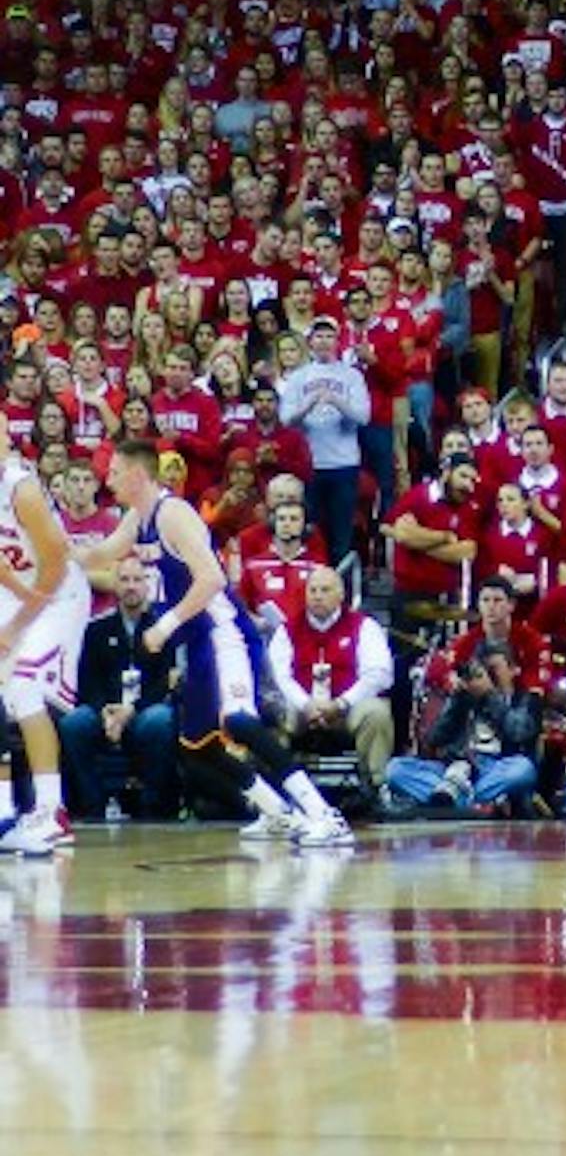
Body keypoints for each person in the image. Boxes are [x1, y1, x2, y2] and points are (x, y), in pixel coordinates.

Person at [84, 435, 353, 846]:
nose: (108, 479)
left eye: (115, 472)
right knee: (197, 745)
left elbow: (211, 578)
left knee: (239, 722)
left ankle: (322, 812)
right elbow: (102, 552)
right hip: (197, 641)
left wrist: (164, 626)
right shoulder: (137, 516)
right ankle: (277, 811)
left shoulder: (172, 513)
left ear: (138, 475)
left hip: (223, 632)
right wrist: (45, 550)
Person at [0, 445, 94, 854]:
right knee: (8, 698)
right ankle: (6, 811)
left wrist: (15, 627)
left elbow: (55, 565)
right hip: (16, 594)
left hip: (58, 595)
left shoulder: (20, 489)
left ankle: (52, 811)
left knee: (25, 689)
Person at [57, 551, 179, 821]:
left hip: (144, 710)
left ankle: (153, 807)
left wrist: (131, 711)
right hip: (106, 710)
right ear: (115, 585)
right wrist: (106, 711)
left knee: (160, 720)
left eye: (137, 579)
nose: (131, 586)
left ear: (148, 585)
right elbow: (87, 680)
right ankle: (90, 806)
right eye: (124, 579)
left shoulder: (162, 628)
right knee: (74, 723)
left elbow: (165, 683)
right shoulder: (95, 630)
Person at [265, 564, 396, 802]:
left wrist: (342, 703)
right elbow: (278, 677)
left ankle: (375, 788)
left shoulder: (364, 626)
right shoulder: (287, 631)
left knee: (377, 712)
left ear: (341, 594)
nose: (317, 596)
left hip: (347, 710)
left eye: (325, 590)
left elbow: (379, 674)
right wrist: (307, 705)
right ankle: (276, 789)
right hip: (302, 710)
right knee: (271, 712)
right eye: (312, 590)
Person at [384, 633, 544, 818]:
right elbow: (434, 739)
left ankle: (451, 801)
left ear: (513, 670)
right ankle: (468, 803)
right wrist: (458, 701)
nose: (488, 676)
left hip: (494, 770)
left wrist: (491, 696)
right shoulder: (466, 698)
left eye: (494, 669)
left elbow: (518, 733)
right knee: (395, 769)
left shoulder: (526, 699)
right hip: (455, 768)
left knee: (523, 769)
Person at [276, 315, 372, 570]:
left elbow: (364, 417)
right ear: (309, 341)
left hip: (344, 464)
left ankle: (341, 590)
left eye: (329, 336)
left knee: (342, 534)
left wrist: (336, 401)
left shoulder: (351, 376)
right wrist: (307, 406)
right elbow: (286, 419)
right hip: (310, 465)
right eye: (319, 336)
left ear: (337, 340)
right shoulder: (299, 378)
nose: (324, 341)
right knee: (312, 532)